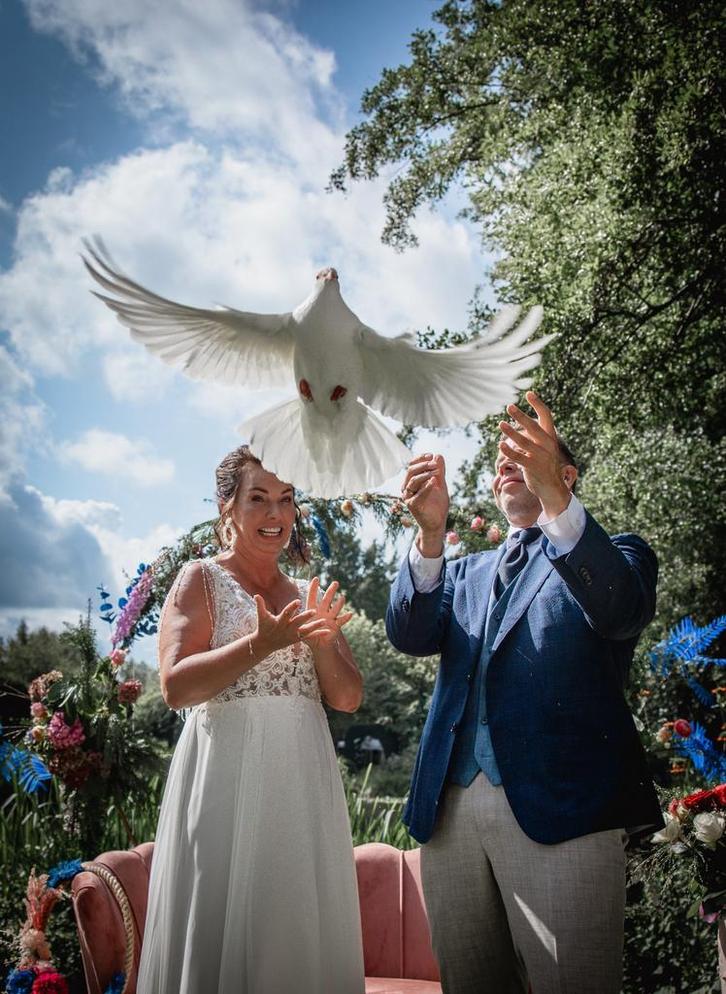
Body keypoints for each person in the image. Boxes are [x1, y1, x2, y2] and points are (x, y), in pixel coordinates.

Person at [386, 391, 661, 994]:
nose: (506, 461)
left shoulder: (618, 556)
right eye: (500, 457)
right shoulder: (460, 572)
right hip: (449, 813)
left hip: (565, 809)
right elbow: (408, 634)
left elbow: (619, 611)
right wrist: (431, 538)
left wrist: (559, 504)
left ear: (564, 474)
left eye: (525, 453)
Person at [137, 445, 365, 994]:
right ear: (227, 507)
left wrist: (329, 642)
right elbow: (175, 686)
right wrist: (257, 646)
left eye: (286, 500)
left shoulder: (305, 594)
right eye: (258, 498)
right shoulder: (200, 579)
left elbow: (349, 698)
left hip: (301, 786)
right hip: (227, 784)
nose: (275, 515)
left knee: (294, 928)